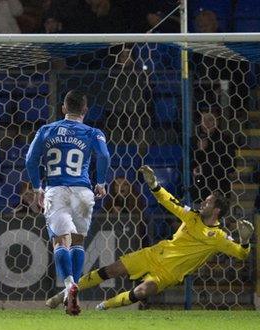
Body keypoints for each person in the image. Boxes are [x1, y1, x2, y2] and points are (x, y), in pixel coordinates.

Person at [46, 165, 255, 311]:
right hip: (153, 254)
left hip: (168, 273)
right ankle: (65, 294)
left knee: (142, 291)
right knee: (111, 270)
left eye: (208, 203)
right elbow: (169, 202)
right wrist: (154, 184)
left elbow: (240, 254)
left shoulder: (218, 237)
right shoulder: (191, 216)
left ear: (217, 210)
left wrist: (245, 241)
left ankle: (103, 307)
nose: (203, 204)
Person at [25, 90, 110, 315]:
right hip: (83, 192)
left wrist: (37, 188)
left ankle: (69, 284)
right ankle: (74, 291)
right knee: (78, 242)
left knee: (60, 242)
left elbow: (30, 159)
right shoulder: (93, 132)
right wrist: (100, 182)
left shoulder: (46, 130)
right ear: (85, 110)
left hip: (56, 190)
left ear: (63, 108)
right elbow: (104, 156)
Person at [192, 110, 235, 202]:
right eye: (204, 120)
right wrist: (200, 150)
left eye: (210, 119)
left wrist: (203, 168)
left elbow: (231, 166)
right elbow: (186, 164)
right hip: (200, 189)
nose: (207, 123)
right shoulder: (194, 140)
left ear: (217, 122)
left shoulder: (225, 139)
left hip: (219, 188)